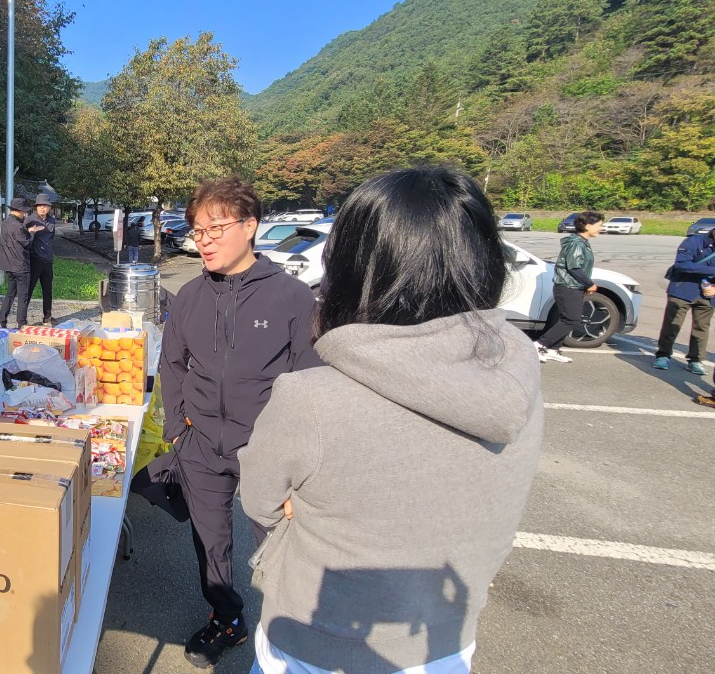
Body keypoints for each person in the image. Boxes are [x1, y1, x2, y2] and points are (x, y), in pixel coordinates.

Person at [239, 167, 544, 674]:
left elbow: (260, 502)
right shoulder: (518, 368)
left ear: (353, 269)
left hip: (319, 643)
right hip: (443, 642)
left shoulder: (310, 398)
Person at [131, 176, 322, 669]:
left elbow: (313, 381)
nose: (204, 240)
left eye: (216, 228)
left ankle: (288, 632)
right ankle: (227, 618)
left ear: (250, 226)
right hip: (200, 446)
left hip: (268, 451)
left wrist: (301, 464)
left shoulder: (293, 298)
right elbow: (172, 365)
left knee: (280, 548)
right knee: (210, 543)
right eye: (198, 231)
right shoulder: (190, 296)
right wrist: (178, 431)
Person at [534, 211, 603, 363]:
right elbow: (574, 267)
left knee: (566, 319)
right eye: (599, 225)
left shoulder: (581, 242)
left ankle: (552, 349)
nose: (601, 228)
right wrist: (589, 284)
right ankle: (539, 345)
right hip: (568, 287)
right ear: (588, 226)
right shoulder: (577, 243)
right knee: (572, 320)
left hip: (572, 286)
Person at [653, 228, 715, 374]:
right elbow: (682, 264)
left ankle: (695, 360)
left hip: (708, 293)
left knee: (701, 328)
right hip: (682, 289)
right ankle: (663, 355)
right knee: (672, 325)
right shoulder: (693, 241)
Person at [0, 196, 36, 328]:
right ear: (20, 211)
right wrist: (32, 233)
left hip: (9, 265)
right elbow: (27, 244)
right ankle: (21, 323)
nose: (24, 213)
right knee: (22, 296)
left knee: (9, 294)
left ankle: (2, 321)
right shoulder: (18, 226)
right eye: (24, 211)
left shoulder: (5, 223)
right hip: (20, 266)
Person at [24, 192, 58, 325]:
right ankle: (22, 318)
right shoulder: (30, 220)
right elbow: (24, 239)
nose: (42, 208)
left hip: (48, 260)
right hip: (34, 260)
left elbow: (51, 238)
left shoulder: (52, 220)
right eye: (40, 205)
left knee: (48, 290)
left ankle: (47, 316)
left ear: (49, 207)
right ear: (36, 207)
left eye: (45, 205)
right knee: (29, 289)